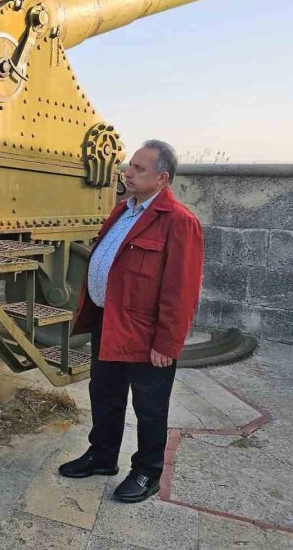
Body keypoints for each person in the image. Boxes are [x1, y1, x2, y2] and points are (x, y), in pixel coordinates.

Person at [59, 139, 203, 503]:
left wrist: (167, 344)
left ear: (162, 178)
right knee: (104, 394)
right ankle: (102, 456)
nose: (127, 172)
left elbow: (181, 290)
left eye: (139, 169)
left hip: (145, 334)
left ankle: (147, 472)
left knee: (149, 406)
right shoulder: (124, 209)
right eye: (130, 166)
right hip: (108, 321)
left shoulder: (179, 222)